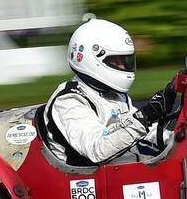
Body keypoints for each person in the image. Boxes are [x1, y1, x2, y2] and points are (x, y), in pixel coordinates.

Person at [41, 18, 179, 166]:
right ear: (92, 59)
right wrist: (146, 115)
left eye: (125, 61)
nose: (123, 66)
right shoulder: (69, 101)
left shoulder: (114, 94)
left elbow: (140, 132)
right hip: (94, 181)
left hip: (125, 172)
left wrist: (176, 140)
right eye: (116, 61)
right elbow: (97, 149)